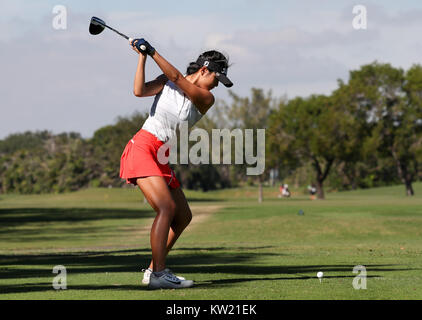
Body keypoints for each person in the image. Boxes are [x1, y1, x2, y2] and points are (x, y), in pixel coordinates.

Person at [119, 38, 233, 289]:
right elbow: (139, 90)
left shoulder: (205, 98)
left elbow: (180, 80)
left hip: (162, 156)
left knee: (183, 216)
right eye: (215, 78)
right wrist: (143, 56)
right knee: (166, 208)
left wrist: (153, 51)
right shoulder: (165, 82)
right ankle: (159, 273)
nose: (216, 86)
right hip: (143, 147)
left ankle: (153, 270)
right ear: (204, 70)